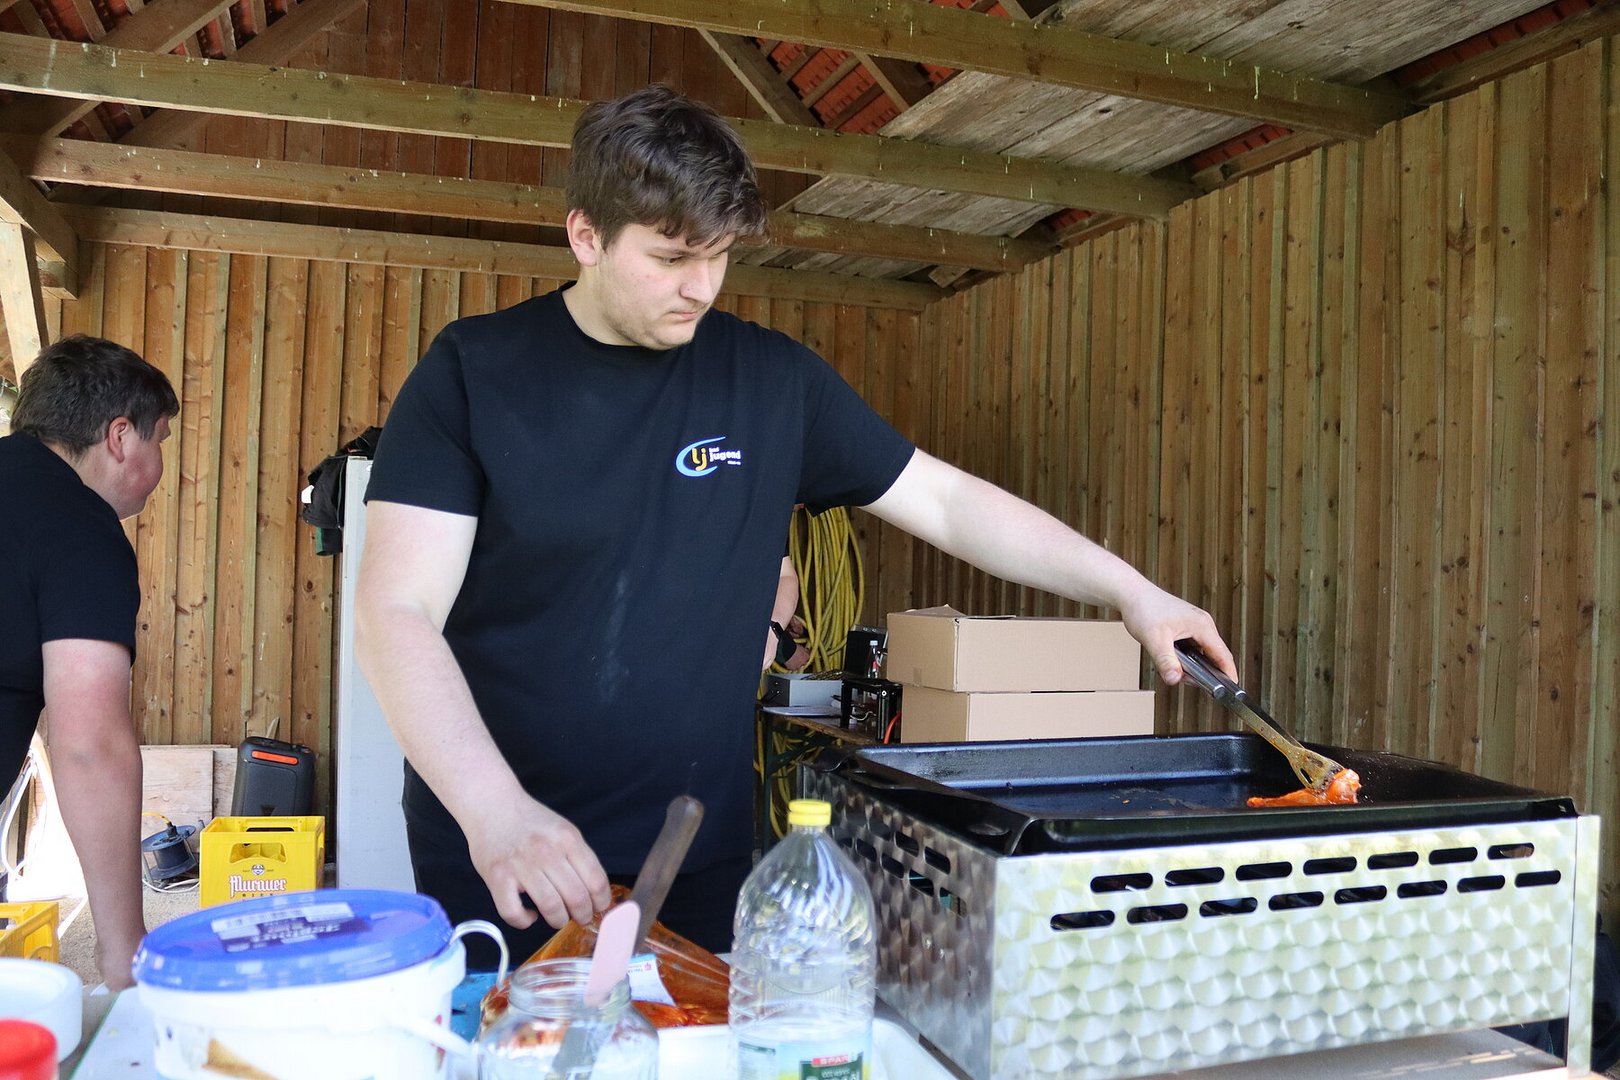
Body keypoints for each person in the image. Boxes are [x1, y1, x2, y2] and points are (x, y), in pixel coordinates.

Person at [355, 85, 1235, 967]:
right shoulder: (473, 375)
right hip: (506, 850)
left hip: (692, 849)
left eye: (719, 255)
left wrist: (1132, 591)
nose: (701, 287)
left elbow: (947, 501)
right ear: (586, 236)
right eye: (671, 257)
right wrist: (493, 811)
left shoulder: (772, 383)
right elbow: (396, 612)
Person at [0, 335, 178, 989]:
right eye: (161, 440)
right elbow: (90, 745)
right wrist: (125, 948)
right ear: (120, 436)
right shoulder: (77, 526)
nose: (161, 464)